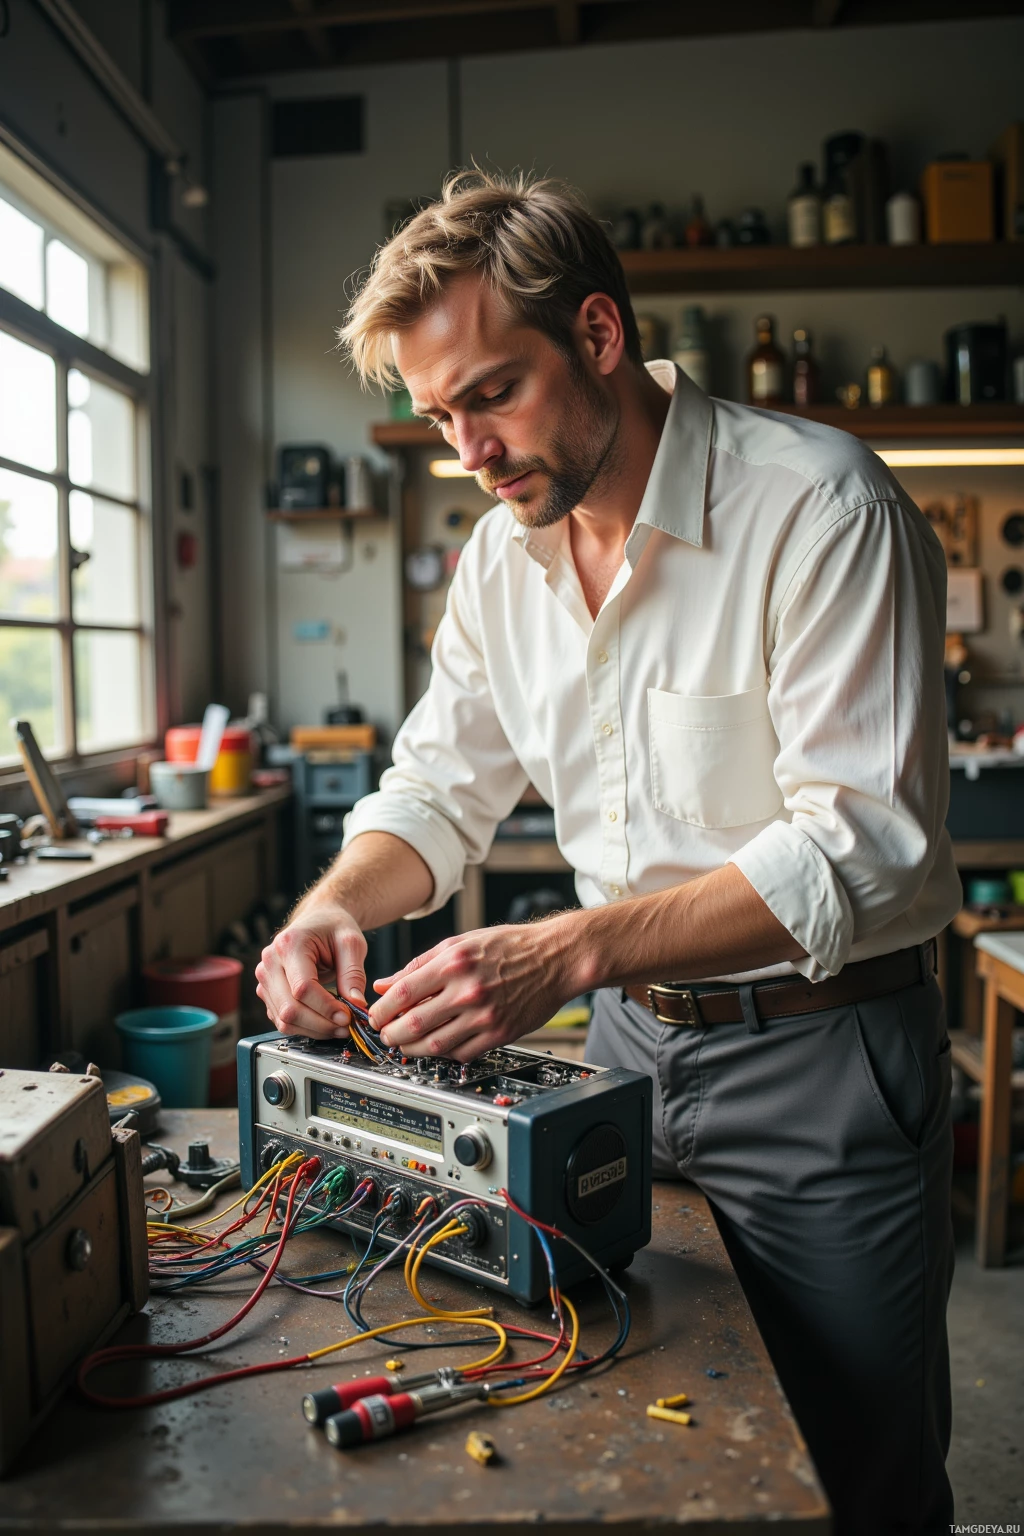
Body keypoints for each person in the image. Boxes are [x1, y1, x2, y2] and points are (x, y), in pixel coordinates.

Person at [256, 169, 960, 1535]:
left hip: (824, 1062)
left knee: (862, 1466)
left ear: (596, 336)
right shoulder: (496, 563)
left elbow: (863, 850)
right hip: (624, 1054)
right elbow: (436, 790)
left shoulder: (817, 508)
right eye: (439, 416)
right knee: (628, 1409)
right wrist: (327, 910)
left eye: (491, 394)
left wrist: (568, 948)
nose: (469, 447)